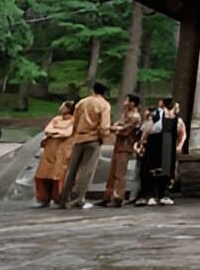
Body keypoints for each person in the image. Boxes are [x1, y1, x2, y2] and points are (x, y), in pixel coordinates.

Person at [58, 82, 111, 210]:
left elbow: (74, 120)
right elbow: (104, 126)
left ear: (93, 90)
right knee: (86, 171)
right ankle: (78, 199)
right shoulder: (104, 105)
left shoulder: (82, 102)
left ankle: (63, 198)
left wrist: (75, 134)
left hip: (78, 138)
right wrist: (103, 136)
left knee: (72, 170)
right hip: (93, 139)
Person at [138, 97, 187, 206]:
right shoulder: (156, 116)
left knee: (167, 170)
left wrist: (179, 145)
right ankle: (152, 195)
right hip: (155, 144)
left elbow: (183, 132)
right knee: (154, 169)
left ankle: (163, 194)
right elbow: (148, 129)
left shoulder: (176, 119)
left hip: (168, 144)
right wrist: (142, 141)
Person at [102, 93, 141, 208]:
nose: (125, 102)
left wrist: (114, 128)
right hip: (118, 146)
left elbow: (124, 130)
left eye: (127, 100)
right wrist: (116, 127)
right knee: (112, 172)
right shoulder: (125, 115)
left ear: (132, 103)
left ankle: (118, 197)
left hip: (125, 146)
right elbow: (117, 125)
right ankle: (107, 196)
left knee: (120, 173)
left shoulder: (135, 117)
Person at [33, 101, 75, 207]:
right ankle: (44, 198)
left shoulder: (74, 120)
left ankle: (60, 198)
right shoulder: (56, 119)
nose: (60, 107)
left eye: (63, 106)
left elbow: (67, 133)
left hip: (63, 150)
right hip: (49, 150)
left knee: (59, 175)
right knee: (43, 174)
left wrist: (54, 133)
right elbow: (47, 129)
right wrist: (56, 132)